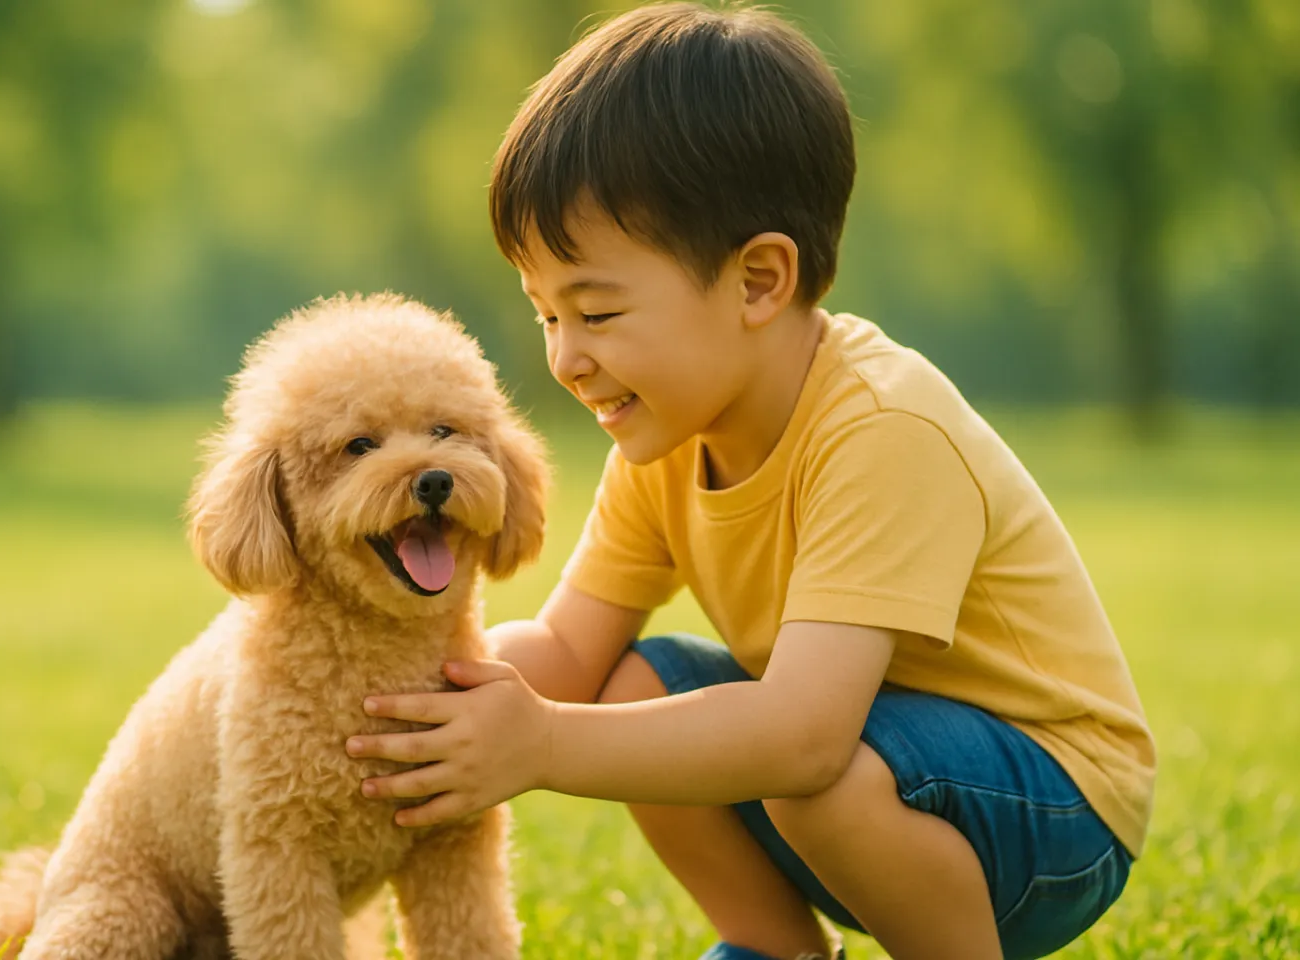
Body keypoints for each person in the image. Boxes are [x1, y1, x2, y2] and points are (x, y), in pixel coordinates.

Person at [344, 4, 1155, 958]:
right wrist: (394, 699)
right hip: (873, 773)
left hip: (1054, 805)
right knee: (636, 685)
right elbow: (568, 646)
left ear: (760, 281)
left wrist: (543, 744)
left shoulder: (882, 428)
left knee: (814, 770)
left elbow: (803, 733)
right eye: (545, 313)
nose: (563, 358)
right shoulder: (665, 444)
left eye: (596, 311)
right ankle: (774, 949)